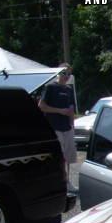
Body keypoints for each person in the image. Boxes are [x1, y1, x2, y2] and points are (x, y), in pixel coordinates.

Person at [38, 63, 78, 193]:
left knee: (68, 157)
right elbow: (41, 106)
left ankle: (67, 181)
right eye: (64, 73)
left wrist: (72, 125)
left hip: (67, 127)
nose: (66, 76)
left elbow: (71, 109)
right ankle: (59, 181)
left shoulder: (69, 89)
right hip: (54, 127)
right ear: (59, 73)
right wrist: (59, 111)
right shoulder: (50, 87)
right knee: (59, 156)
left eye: (69, 74)